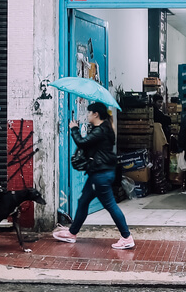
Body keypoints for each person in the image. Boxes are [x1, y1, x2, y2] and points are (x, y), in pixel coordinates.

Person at [52, 102, 135, 249]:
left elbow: (83, 143)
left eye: (89, 113)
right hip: (98, 173)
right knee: (83, 201)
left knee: (110, 205)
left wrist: (74, 129)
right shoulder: (103, 128)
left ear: (96, 114)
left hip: (100, 175)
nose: (87, 115)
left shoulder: (101, 131)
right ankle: (72, 233)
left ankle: (126, 237)